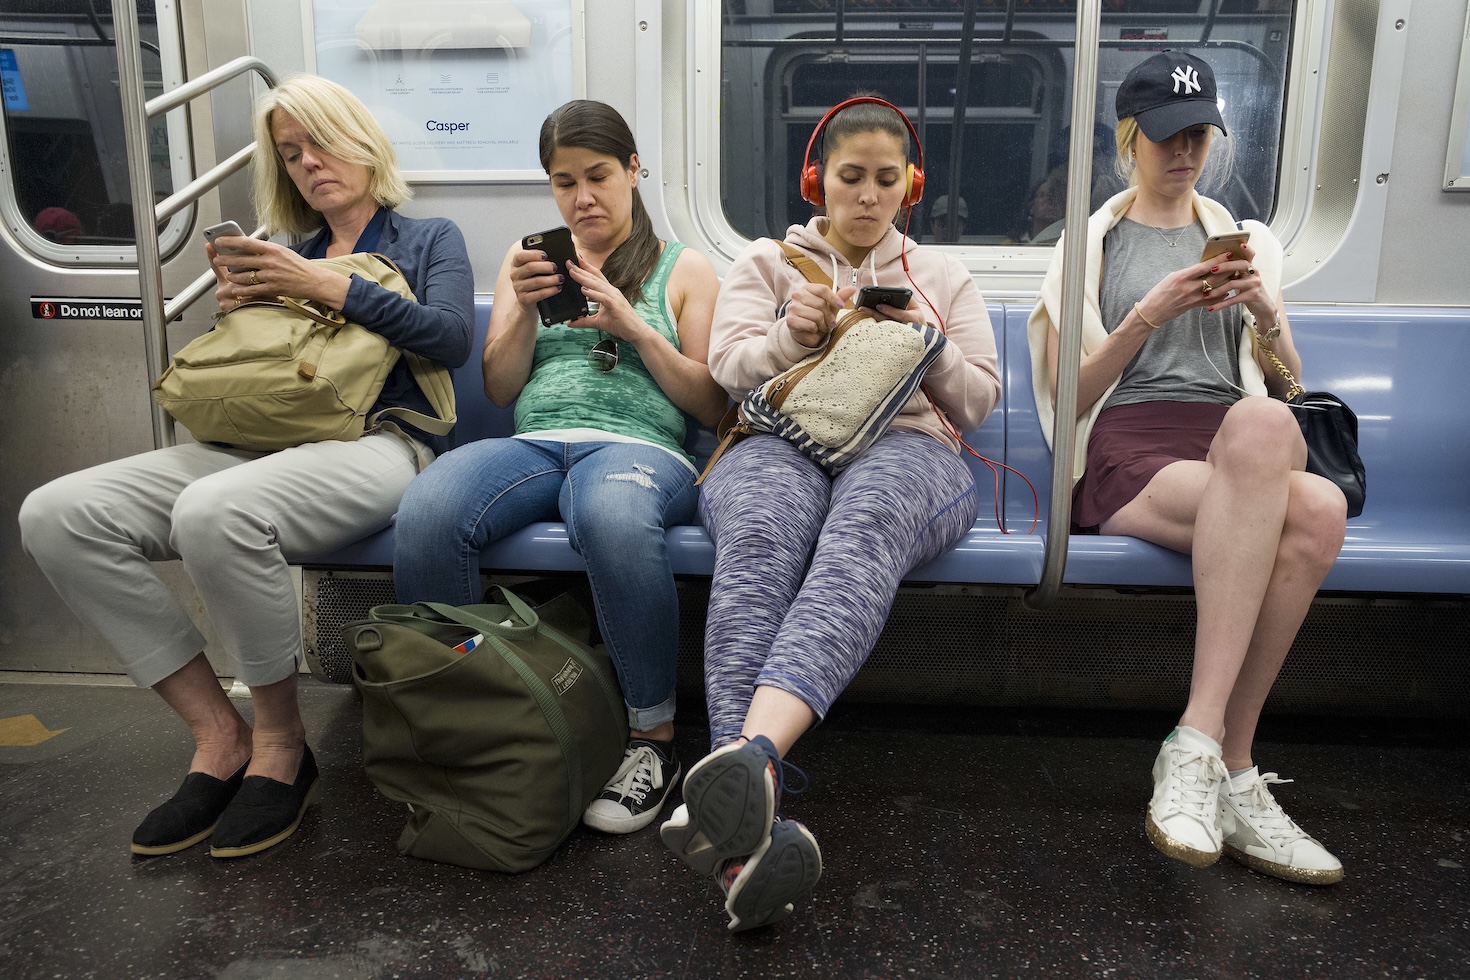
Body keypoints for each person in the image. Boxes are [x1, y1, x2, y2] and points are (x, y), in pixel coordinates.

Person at [18, 74, 474, 859]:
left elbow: (450, 339)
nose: (309, 164)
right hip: (258, 444)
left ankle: (280, 745)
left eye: (321, 142)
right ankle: (216, 734)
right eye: (291, 154)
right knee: (56, 515)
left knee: (215, 510)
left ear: (362, 141)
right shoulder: (281, 250)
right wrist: (243, 308)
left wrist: (330, 287)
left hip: (377, 444)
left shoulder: (428, 240)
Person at [661, 96, 1002, 931]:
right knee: (762, 533)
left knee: (865, 525)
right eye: (851, 178)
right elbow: (731, 374)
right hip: (779, 436)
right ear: (818, 180)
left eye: (888, 180)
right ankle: (745, 843)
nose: (868, 196)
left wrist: (929, 341)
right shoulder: (768, 264)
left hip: (916, 448)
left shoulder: (943, 276)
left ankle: (749, 762)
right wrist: (789, 336)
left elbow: (980, 403)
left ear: (908, 187)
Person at [1027, 52, 1346, 885]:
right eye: (1169, 137)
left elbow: (1287, 385)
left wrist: (1266, 314)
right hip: (1130, 441)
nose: (1185, 153)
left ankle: (1211, 757)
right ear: (1129, 138)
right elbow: (1070, 396)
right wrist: (1144, 315)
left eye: (1200, 135)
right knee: (1299, 496)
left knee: (1298, 477)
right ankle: (1221, 758)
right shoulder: (1089, 243)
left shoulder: (1248, 241)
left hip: (1236, 438)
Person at [392, 100, 727, 836]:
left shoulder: (685, 267)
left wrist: (632, 326)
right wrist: (515, 303)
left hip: (642, 449)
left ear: (635, 170)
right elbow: (503, 389)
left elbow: (708, 405)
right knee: (428, 512)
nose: (582, 198)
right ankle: (471, 724)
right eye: (563, 181)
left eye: (599, 176)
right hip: (535, 444)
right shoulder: (534, 259)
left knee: (611, 515)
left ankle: (652, 741)